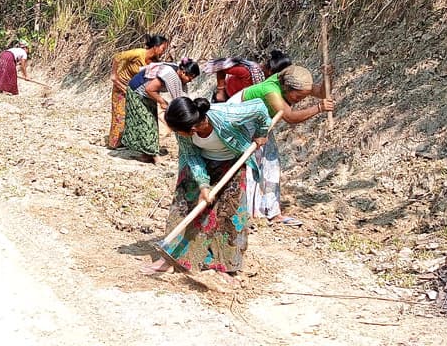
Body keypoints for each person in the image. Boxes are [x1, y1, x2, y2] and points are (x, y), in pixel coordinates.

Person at [140, 97, 273, 283]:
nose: (175, 134)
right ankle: (172, 258)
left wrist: (261, 132)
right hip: (201, 161)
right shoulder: (183, 131)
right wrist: (203, 185)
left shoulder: (227, 116)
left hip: (232, 162)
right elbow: (192, 155)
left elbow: (259, 106)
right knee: (183, 206)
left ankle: (224, 266)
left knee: (229, 213)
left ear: (192, 128)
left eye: (177, 131)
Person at [232, 65, 335, 225]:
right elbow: (290, 117)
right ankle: (248, 214)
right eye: (297, 98)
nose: (298, 101)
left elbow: (321, 92)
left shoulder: (293, 83)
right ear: (287, 88)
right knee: (251, 165)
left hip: (261, 121)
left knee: (271, 163)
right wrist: (319, 108)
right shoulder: (271, 91)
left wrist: (327, 78)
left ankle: (272, 212)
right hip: (241, 119)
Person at [120, 58, 200, 161]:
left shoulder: (179, 77)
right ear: (184, 72)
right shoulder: (169, 74)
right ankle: (151, 155)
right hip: (137, 91)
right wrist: (162, 102)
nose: (190, 81)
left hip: (148, 94)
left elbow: (183, 97)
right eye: (191, 77)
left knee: (152, 123)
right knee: (146, 123)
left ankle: (148, 153)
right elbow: (149, 89)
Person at [107, 35, 170, 149]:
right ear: (155, 47)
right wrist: (114, 75)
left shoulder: (155, 62)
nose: (163, 52)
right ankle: (114, 143)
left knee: (133, 115)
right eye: (162, 49)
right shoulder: (138, 53)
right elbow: (117, 57)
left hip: (135, 89)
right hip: (121, 85)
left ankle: (129, 141)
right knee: (120, 115)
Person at [204, 50, 291, 103]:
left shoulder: (271, 84)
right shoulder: (248, 72)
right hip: (225, 98)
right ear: (270, 71)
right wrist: (220, 91)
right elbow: (222, 68)